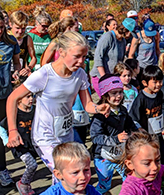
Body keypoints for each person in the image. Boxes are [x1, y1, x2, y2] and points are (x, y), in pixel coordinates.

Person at [6, 32, 110, 177]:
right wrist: (12, 131)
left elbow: (88, 105)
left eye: (84, 57)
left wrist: (99, 108)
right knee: (65, 174)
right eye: (77, 56)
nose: (81, 61)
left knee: (67, 177)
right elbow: (12, 98)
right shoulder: (44, 75)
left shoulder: (79, 74)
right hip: (45, 136)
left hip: (66, 134)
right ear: (61, 52)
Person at [90, 75, 137, 195]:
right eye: (114, 93)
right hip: (103, 157)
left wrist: (137, 133)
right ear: (105, 95)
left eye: (120, 92)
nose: (118, 96)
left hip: (121, 154)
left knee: (129, 179)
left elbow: (129, 124)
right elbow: (95, 137)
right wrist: (116, 139)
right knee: (105, 185)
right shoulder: (99, 115)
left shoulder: (122, 110)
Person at [128, 65, 164, 166]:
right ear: (145, 83)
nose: (158, 85)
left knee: (162, 154)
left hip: (157, 133)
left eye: (160, 81)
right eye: (155, 82)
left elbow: (158, 109)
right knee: (150, 156)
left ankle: (163, 176)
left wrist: (163, 118)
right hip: (146, 136)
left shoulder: (159, 94)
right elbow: (132, 117)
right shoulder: (141, 99)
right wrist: (140, 129)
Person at [0, 89, 37, 195]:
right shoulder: (14, 113)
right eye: (28, 97)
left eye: (32, 96)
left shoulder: (35, 110)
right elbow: (1, 127)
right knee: (32, 165)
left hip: (32, 144)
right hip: (19, 146)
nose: (31, 99)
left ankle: (26, 183)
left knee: (33, 166)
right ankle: (23, 183)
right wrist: (7, 141)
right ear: (19, 100)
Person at [90, 18, 135, 95]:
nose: (130, 36)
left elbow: (120, 61)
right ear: (125, 30)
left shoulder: (123, 41)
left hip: (113, 77)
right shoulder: (108, 37)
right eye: (130, 34)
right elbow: (98, 57)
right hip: (100, 76)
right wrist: (104, 78)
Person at [8, 11, 36, 81]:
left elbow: (33, 58)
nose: (20, 31)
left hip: (20, 73)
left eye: (23, 28)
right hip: (5, 73)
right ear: (10, 24)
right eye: (17, 28)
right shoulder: (5, 36)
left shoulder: (27, 38)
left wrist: (28, 68)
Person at [0, 16, 21, 108]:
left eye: (1, 27)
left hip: (5, 90)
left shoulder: (11, 41)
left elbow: (16, 63)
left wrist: (16, 72)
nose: (0, 31)